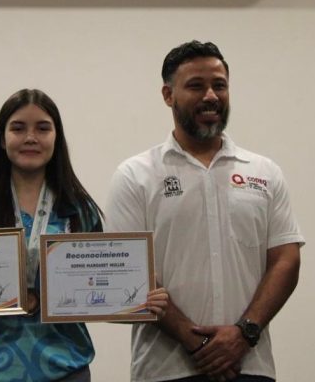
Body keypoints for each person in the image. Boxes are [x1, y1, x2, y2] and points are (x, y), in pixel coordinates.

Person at [0, 88, 168, 382]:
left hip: (66, 368)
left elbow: (96, 296)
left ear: (56, 138)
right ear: (2, 139)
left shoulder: (81, 210)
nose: (30, 137)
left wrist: (141, 302)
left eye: (42, 128)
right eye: (18, 128)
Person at [104, 40, 304, 382]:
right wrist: (196, 342)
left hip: (249, 365)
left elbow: (285, 260)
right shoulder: (136, 175)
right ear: (168, 95)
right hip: (164, 370)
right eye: (196, 86)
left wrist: (244, 334)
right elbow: (129, 272)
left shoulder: (264, 172)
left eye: (219, 86)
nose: (211, 96)